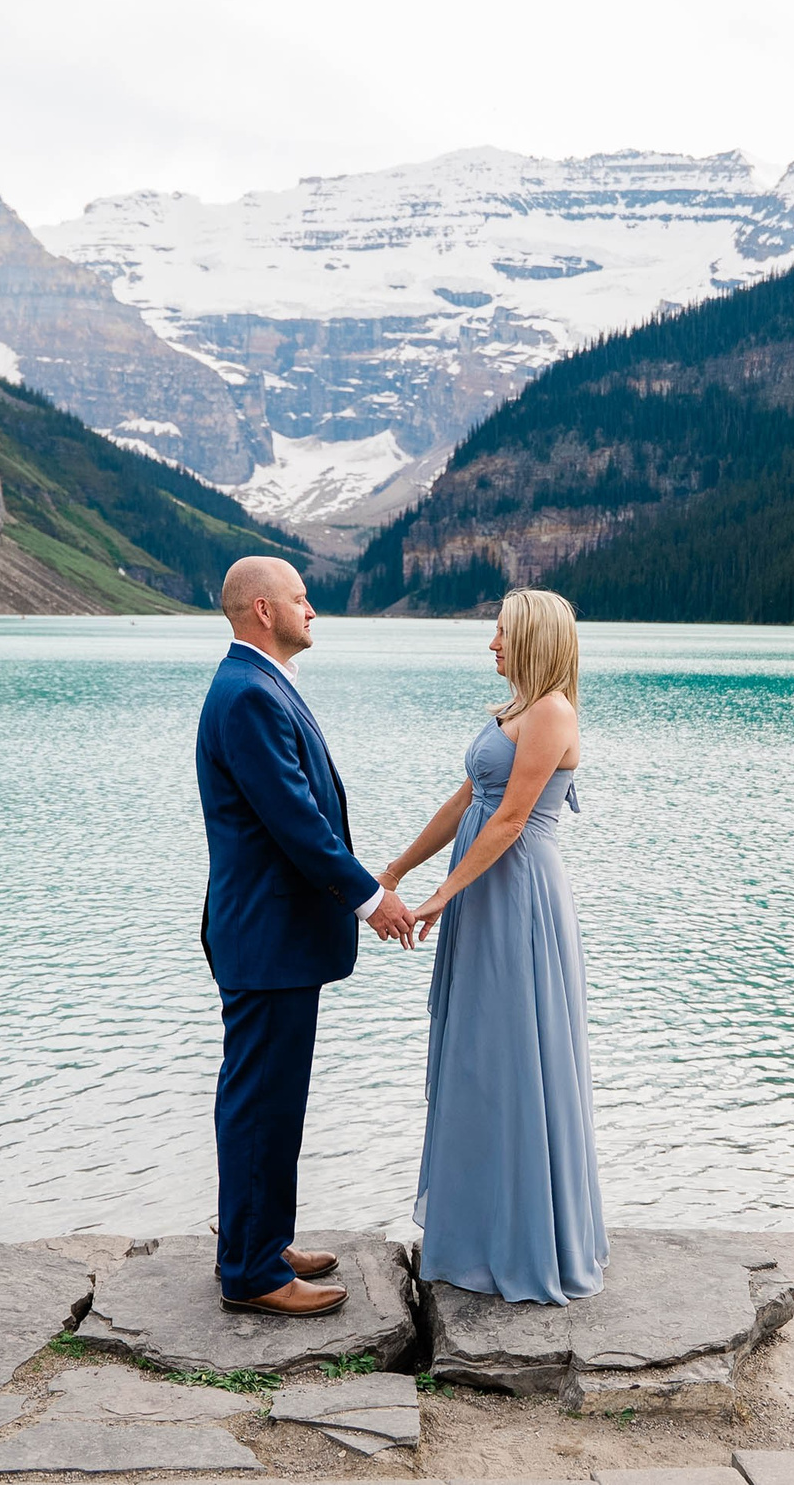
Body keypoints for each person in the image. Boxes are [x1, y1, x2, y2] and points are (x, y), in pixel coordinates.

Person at [195, 555, 416, 1316]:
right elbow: (296, 820)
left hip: (271, 933)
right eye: (299, 597)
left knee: (271, 1097)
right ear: (263, 610)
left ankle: (261, 1238)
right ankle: (253, 1272)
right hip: (268, 934)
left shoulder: (255, 683)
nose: (312, 607)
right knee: (260, 1098)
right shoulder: (250, 694)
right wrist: (369, 897)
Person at [381, 588, 607, 1303]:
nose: (491, 644)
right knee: (477, 1052)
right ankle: (476, 1231)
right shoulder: (515, 709)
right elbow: (466, 802)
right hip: (483, 891)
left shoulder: (552, 712)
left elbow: (510, 820)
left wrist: (446, 896)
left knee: (515, 1053)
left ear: (534, 638)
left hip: (517, 900)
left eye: (502, 633)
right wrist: (398, 869)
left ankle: (524, 1240)